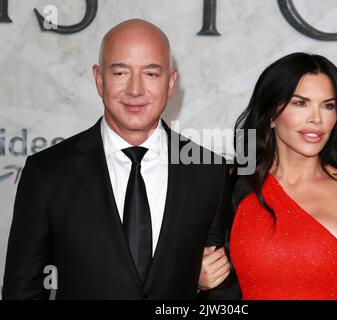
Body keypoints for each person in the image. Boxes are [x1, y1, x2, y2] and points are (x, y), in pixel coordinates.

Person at [2, 19, 240, 300]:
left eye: (151, 74)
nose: (135, 90)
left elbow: (219, 290)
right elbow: (23, 290)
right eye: (120, 73)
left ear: (171, 82)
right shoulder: (48, 172)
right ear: (99, 79)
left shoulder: (208, 170)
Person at [200, 52, 337, 300]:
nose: (316, 119)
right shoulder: (229, 184)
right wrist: (196, 280)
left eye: (328, 105)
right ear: (271, 115)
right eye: (300, 103)